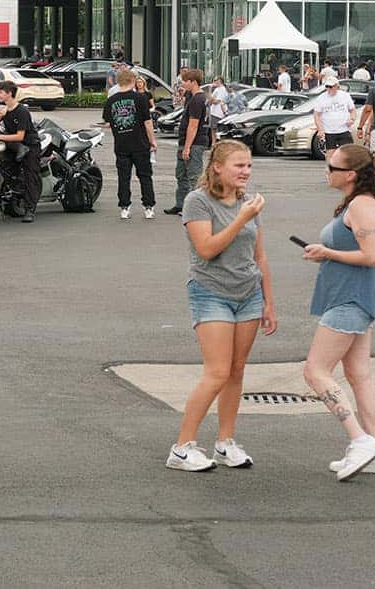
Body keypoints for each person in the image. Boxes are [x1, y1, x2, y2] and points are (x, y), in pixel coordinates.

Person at [167, 141, 276, 472]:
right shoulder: (198, 201)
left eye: (249, 166)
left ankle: (225, 443)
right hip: (211, 291)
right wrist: (242, 218)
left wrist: (269, 302)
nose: (246, 172)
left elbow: (260, 256)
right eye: (239, 165)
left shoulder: (247, 203)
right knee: (217, 372)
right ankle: (182, 448)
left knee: (236, 370)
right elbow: (207, 249)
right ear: (217, 167)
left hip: (248, 294)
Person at [298, 143, 375, 481]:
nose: (327, 172)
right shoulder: (359, 203)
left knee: (315, 371)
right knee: (358, 374)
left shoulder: (363, 206)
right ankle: (373, 449)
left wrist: (328, 252)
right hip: (352, 297)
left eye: (332, 168)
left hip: (350, 299)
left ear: (351, 174)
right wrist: (326, 253)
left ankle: (361, 441)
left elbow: (372, 256)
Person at [103, 68, 157, 220]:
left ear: (118, 82)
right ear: (133, 81)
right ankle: (148, 207)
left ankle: (124, 207)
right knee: (145, 176)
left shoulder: (111, 101)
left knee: (123, 177)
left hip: (121, 145)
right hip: (140, 143)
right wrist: (152, 141)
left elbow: (108, 121)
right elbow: (147, 122)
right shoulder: (140, 98)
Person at [0, 80, 40, 223]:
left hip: (29, 144)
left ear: (9, 93)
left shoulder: (22, 111)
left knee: (30, 176)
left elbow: (20, 136)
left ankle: (30, 210)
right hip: (12, 143)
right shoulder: (1, 106)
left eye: (0, 92)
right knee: (7, 170)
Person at [165, 69, 211, 216]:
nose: (183, 84)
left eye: (185, 81)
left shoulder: (198, 100)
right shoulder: (194, 96)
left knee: (194, 176)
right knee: (181, 175)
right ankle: (181, 204)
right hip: (185, 141)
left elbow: (193, 125)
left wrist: (187, 147)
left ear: (193, 82)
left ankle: (195, 208)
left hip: (194, 143)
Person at [312, 73, 356, 152]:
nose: (329, 89)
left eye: (331, 87)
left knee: (347, 152)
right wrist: (320, 129)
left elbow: (352, 110)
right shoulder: (321, 98)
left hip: (344, 130)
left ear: (337, 86)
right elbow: (316, 115)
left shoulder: (345, 96)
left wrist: (352, 119)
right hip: (329, 131)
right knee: (330, 153)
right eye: (327, 87)